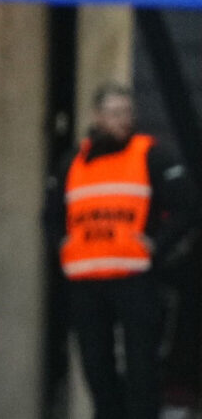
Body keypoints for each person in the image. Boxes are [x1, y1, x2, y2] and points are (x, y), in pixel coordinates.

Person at [43, 83, 199, 419]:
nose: (123, 120)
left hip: (135, 280)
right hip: (86, 282)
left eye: (128, 112)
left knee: (143, 371)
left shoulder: (150, 155)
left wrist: (157, 244)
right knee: (97, 370)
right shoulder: (72, 162)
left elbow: (189, 205)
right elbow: (51, 217)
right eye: (115, 113)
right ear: (97, 117)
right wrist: (63, 245)